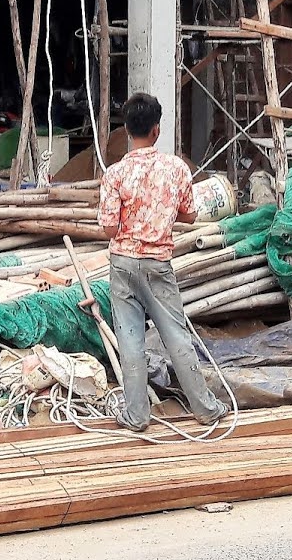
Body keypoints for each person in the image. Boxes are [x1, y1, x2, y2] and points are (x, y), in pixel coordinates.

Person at [96, 92, 229, 431]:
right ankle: (205, 409)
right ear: (157, 129)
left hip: (123, 264)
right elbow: (190, 214)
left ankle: (137, 415)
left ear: (127, 130)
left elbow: (109, 228)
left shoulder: (115, 174)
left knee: (129, 341)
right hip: (158, 265)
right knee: (176, 336)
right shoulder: (176, 169)